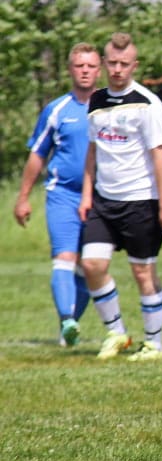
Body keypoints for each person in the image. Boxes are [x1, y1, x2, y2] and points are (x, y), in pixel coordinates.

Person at [78, 32, 162, 362]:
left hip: (141, 202)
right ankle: (116, 333)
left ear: (134, 65)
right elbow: (93, 151)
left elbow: (160, 155)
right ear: (105, 63)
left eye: (124, 63)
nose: (118, 69)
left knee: (142, 273)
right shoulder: (96, 101)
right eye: (113, 62)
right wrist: (86, 195)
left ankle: (154, 343)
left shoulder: (148, 102)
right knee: (92, 264)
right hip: (104, 202)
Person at [13, 42, 101, 347]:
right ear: (70, 70)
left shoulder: (109, 107)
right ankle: (67, 321)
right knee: (64, 258)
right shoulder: (57, 110)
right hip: (62, 195)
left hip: (101, 198)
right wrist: (23, 197)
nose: (85, 71)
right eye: (80, 65)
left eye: (91, 65)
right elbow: (37, 154)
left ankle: (70, 326)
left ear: (99, 69)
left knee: (91, 264)